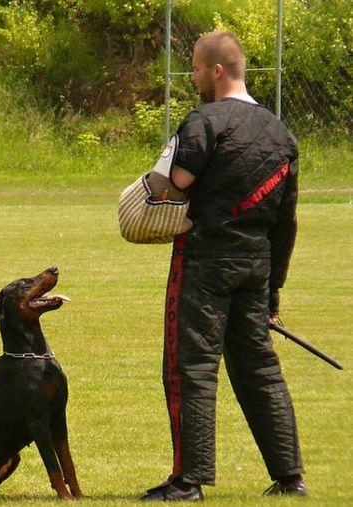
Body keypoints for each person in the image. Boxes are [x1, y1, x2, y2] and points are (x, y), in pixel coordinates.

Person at [139, 32, 306, 502]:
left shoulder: (205, 122)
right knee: (260, 370)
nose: (191, 77)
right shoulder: (281, 134)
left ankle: (187, 481)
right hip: (255, 266)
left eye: (193, 69)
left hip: (205, 261)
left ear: (216, 71)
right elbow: (286, 224)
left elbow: (170, 183)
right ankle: (291, 476)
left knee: (191, 367)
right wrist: (272, 295)